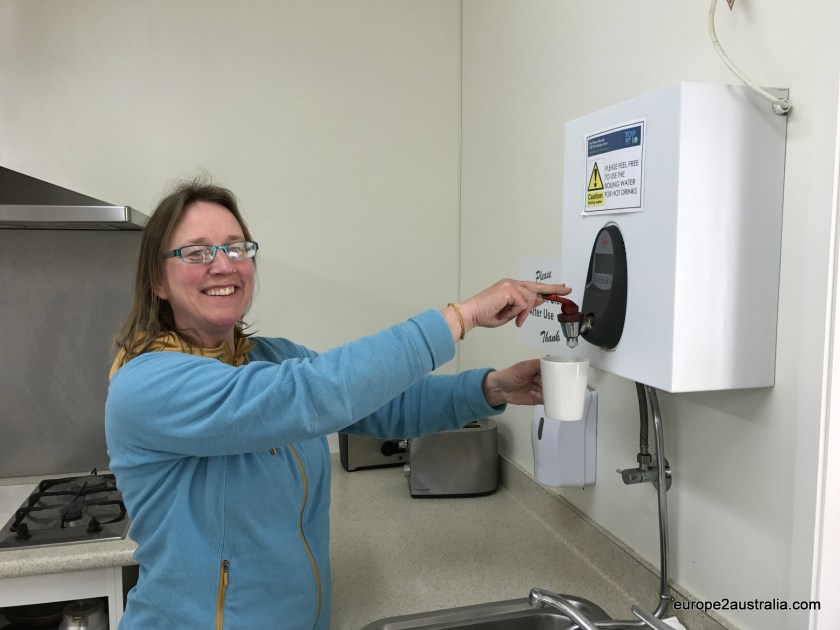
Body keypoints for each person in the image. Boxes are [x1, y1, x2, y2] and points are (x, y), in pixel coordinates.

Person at [105, 178, 571, 629]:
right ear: (158, 281)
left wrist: (490, 389)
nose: (223, 265)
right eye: (197, 252)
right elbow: (317, 393)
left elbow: (381, 404)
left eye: (235, 247)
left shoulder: (269, 358)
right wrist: (461, 317)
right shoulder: (147, 384)